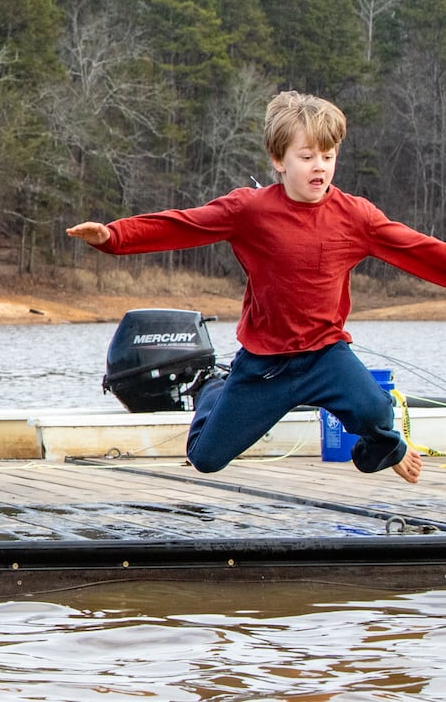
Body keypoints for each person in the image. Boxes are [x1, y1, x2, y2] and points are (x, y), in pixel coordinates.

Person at [67, 90, 431, 483]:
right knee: (205, 457)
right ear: (279, 160)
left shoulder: (355, 217)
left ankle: (380, 450)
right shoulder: (250, 210)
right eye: (306, 157)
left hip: (326, 356)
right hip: (265, 365)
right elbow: (186, 224)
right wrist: (113, 236)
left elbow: (416, 249)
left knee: (377, 414)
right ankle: (210, 388)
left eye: (328, 157)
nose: (319, 167)